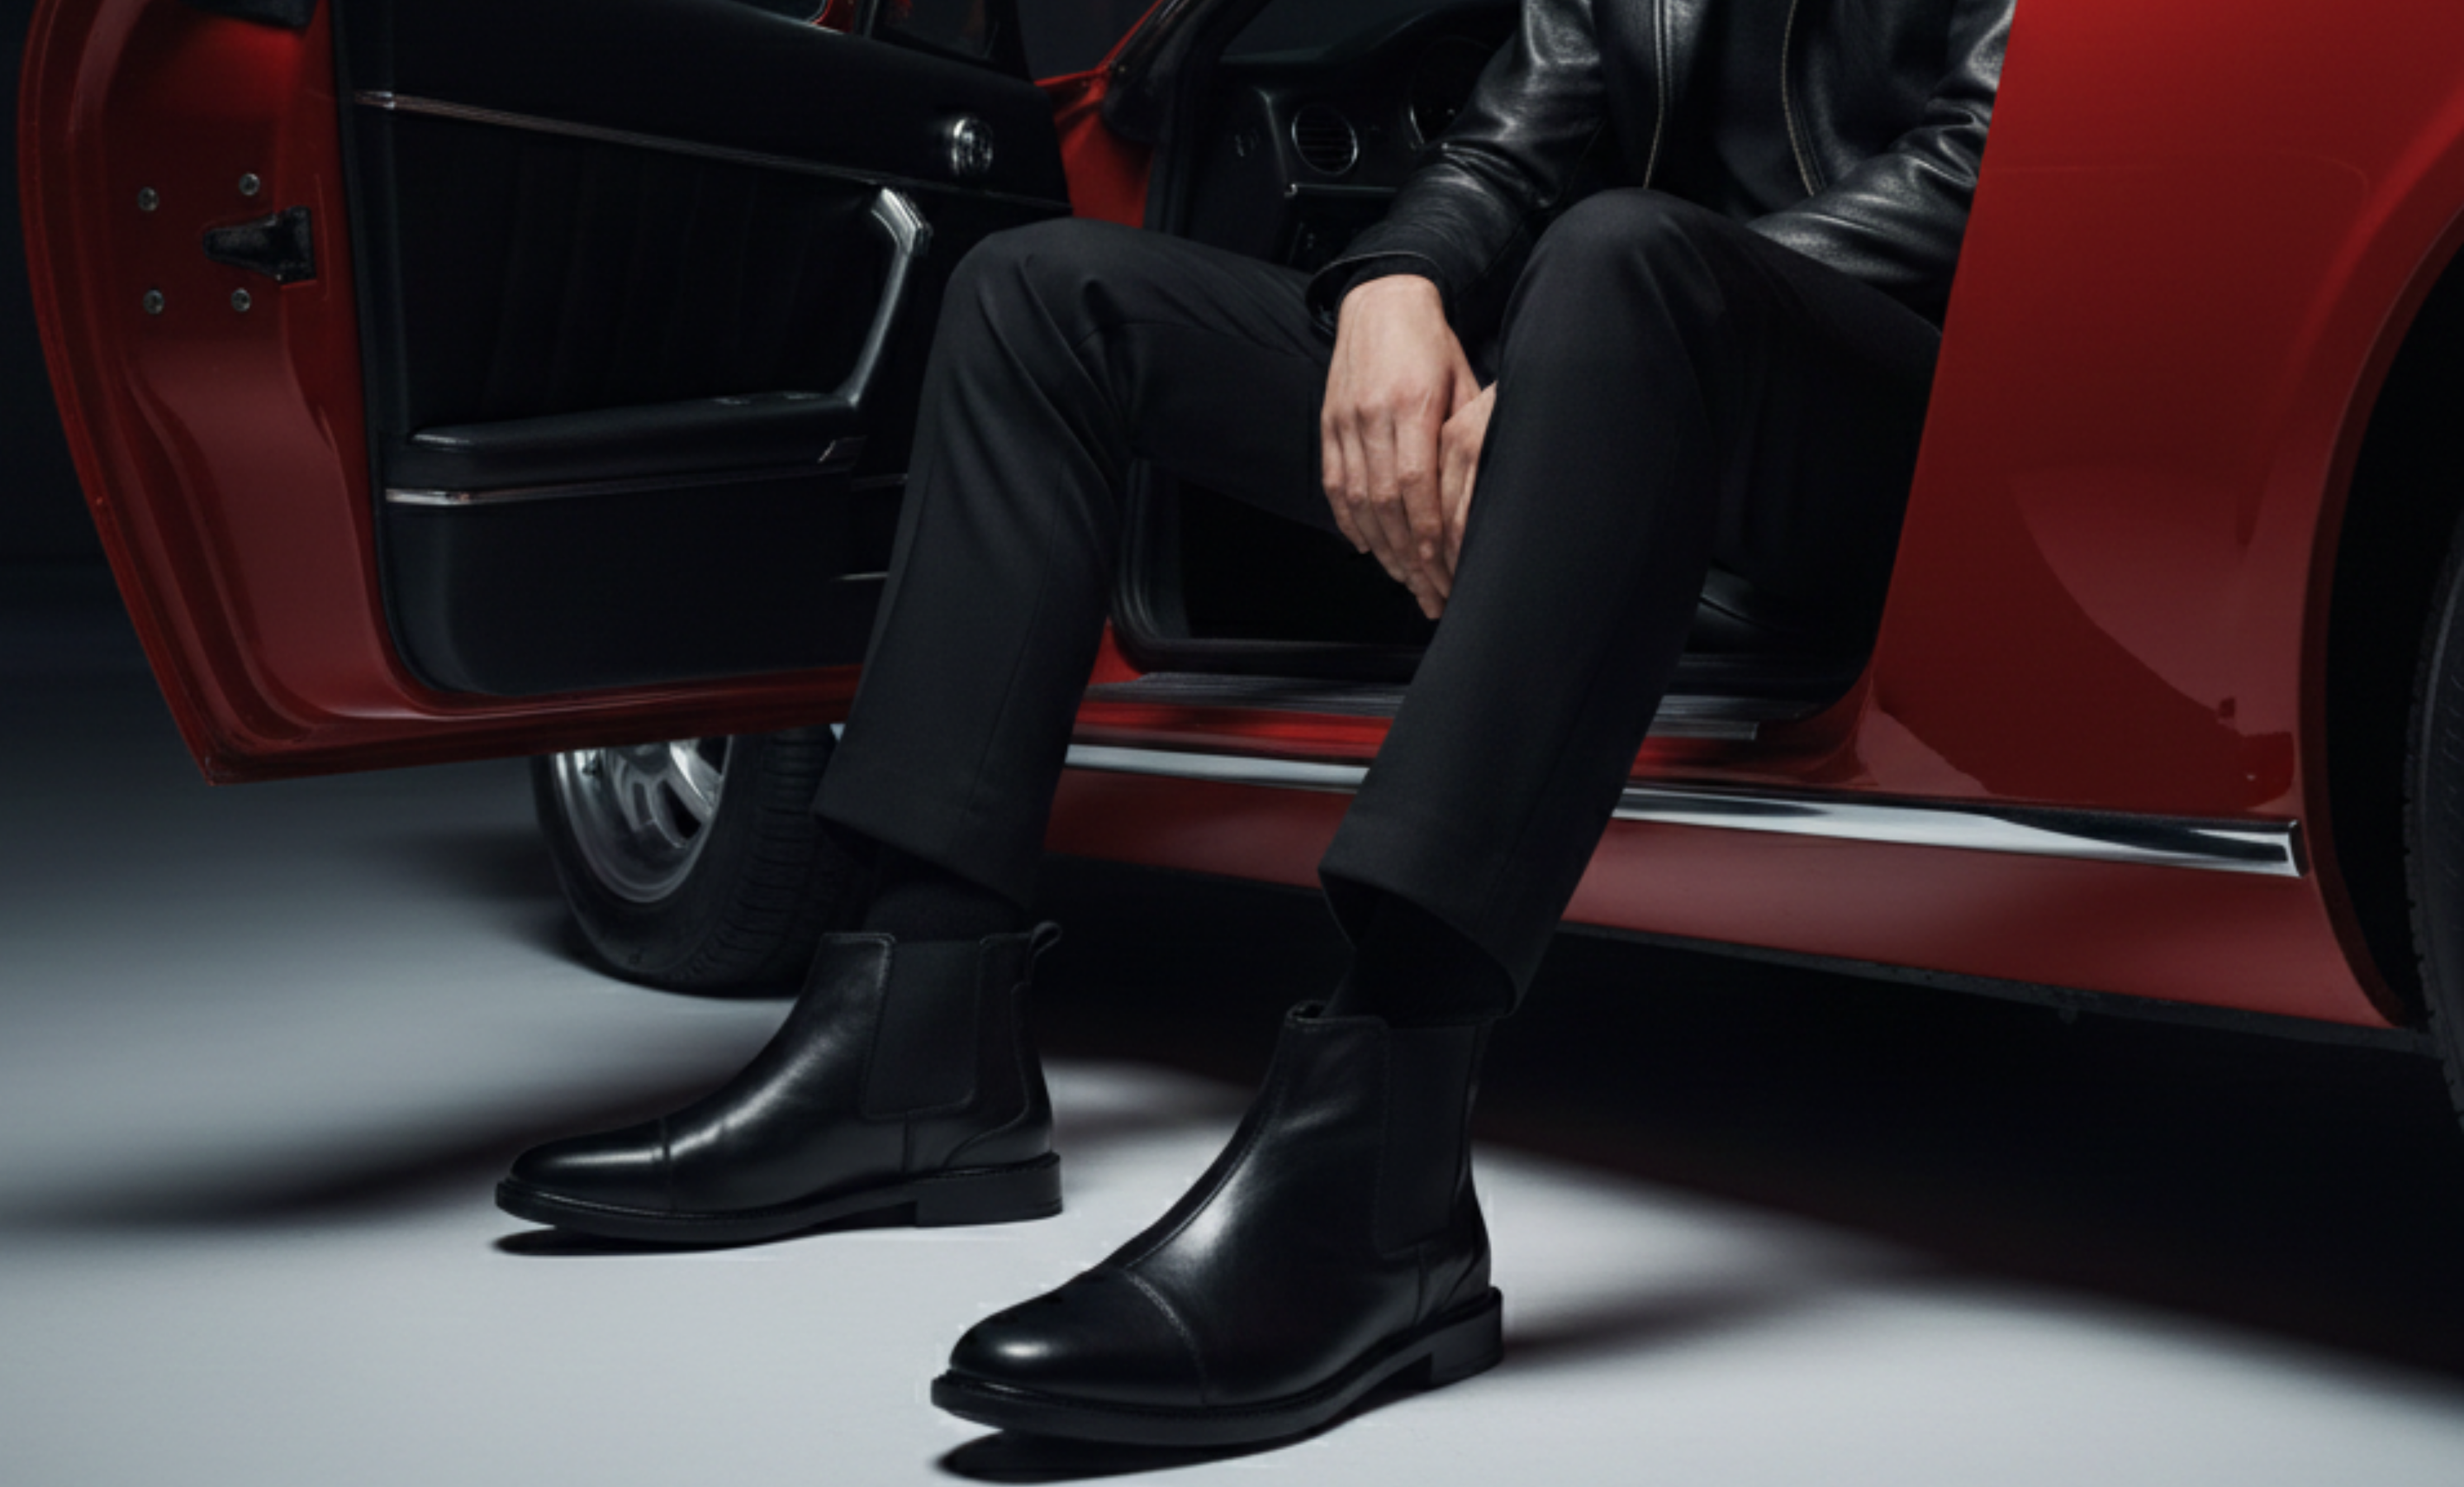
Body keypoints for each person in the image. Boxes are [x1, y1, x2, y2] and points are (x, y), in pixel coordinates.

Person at [496, 0, 2009, 1450]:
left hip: (1926, 423)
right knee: (1040, 294)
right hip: (1630, 362)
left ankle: (1380, 1180)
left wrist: (1583, 344)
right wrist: (1395, 282)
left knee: (1620, 256)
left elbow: (1988, 155)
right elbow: (1510, 144)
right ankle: (917, 1039)